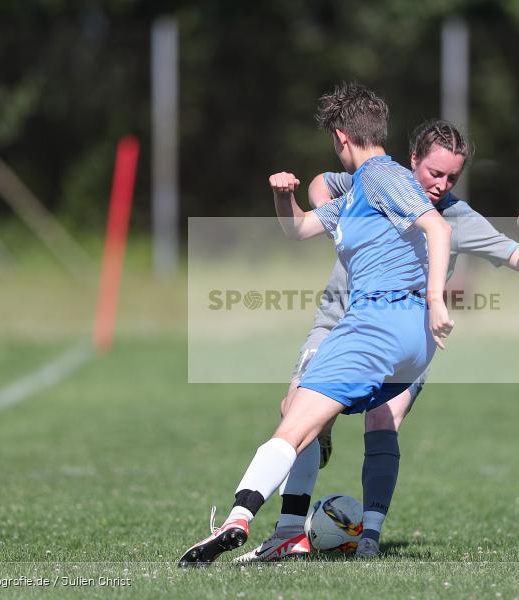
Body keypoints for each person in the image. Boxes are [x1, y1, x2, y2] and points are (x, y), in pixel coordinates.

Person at [235, 119, 519, 562]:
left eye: (451, 178)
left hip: (402, 334)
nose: (441, 185)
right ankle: (289, 532)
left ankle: (369, 538)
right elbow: (323, 182)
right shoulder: (380, 181)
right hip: (338, 322)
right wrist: (342, 225)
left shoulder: (455, 216)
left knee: (382, 420)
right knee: (294, 414)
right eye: (433, 173)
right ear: (413, 160)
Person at [178, 83, 454, 566]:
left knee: (291, 426)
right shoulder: (362, 192)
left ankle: (238, 521)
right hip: (408, 342)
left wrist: (436, 300)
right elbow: (299, 228)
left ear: (342, 137)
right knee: (302, 417)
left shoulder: (382, 176)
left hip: (376, 326)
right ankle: (284, 530)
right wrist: (284, 198)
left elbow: (439, 226)